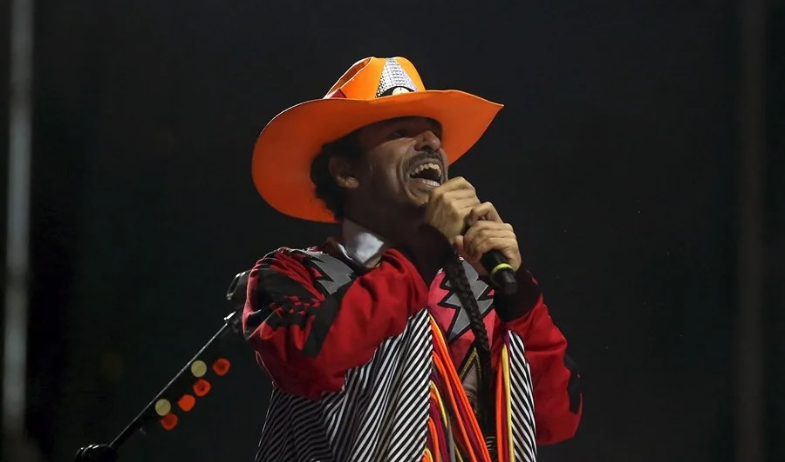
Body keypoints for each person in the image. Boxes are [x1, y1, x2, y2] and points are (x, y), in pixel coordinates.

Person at [242, 56, 582, 462]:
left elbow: (556, 419)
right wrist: (423, 248)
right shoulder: (292, 275)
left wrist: (520, 298)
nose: (432, 144)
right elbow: (310, 362)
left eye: (434, 134)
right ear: (346, 172)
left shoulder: (480, 285)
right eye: (401, 131)